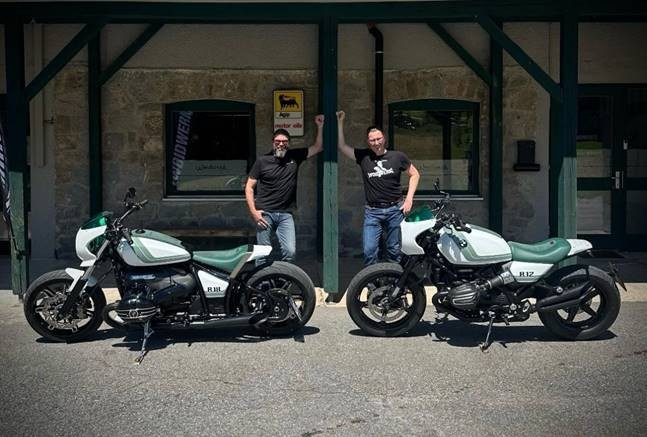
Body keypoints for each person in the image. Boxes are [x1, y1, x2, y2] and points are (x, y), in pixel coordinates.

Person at [336, 110, 420, 265]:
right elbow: (342, 146)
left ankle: (396, 279)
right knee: (369, 251)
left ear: (384, 138)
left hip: (395, 210)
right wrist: (340, 122)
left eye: (378, 139)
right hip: (373, 212)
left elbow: (414, 174)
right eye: (372, 140)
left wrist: (409, 199)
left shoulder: (397, 156)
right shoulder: (364, 157)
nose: (376, 143)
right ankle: (373, 279)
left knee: (394, 249)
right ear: (368, 142)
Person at [245, 115, 324, 263]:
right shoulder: (262, 161)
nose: (281, 144)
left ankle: (282, 277)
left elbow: (318, 147)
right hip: (265, 213)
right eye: (278, 141)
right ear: (273, 143)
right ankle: (261, 278)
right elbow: (249, 187)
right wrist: (254, 212)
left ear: (288, 143)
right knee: (262, 253)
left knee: (290, 252)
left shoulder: (295, 156)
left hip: (285, 214)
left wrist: (319, 126)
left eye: (284, 142)